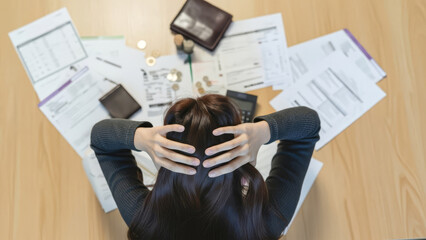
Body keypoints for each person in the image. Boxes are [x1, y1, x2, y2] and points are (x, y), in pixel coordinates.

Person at [90, 94, 320, 240]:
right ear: (243, 175)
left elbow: (101, 139)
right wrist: (265, 131)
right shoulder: (264, 222)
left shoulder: (145, 219)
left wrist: (140, 138)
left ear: (165, 169)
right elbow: (308, 124)